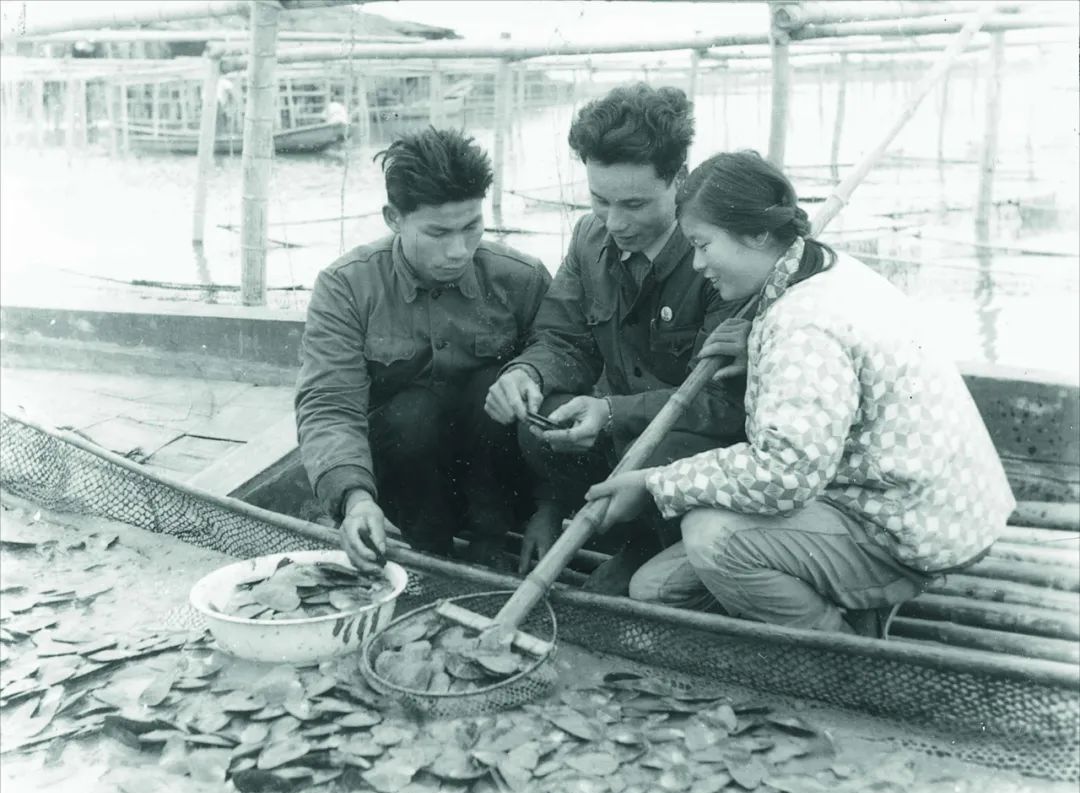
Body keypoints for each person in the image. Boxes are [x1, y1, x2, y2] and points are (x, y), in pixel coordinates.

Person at [586, 150, 1016, 636]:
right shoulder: (820, 268)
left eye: (704, 245)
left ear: (759, 235)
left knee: (710, 538)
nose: (699, 263)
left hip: (904, 528)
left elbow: (785, 473)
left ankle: (843, 654)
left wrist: (652, 483)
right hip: (904, 500)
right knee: (656, 591)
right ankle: (843, 602)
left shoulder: (803, 322)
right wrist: (759, 356)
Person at [485, 83, 750, 591]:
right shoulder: (590, 237)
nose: (615, 223)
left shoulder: (720, 259)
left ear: (679, 179)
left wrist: (611, 413)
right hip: (623, 433)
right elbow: (560, 337)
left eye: (634, 203)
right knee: (538, 420)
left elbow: (725, 402)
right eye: (600, 200)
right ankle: (589, 518)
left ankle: (649, 548)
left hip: (689, 448)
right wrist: (528, 372)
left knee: (657, 450)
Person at [296, 128, 551, 571]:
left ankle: (491, 542)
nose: (458, 250)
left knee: (500, 387)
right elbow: (329, 405)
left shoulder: (523, 278)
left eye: (471, 226)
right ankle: (428, 551)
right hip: (406, 483)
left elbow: (565, 378)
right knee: (410, 413)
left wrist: (552, 508)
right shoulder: (346, 287)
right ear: (394, 217)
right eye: (437, 232)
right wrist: (354, 498)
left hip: (501, 485)